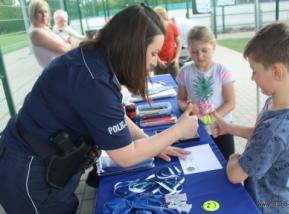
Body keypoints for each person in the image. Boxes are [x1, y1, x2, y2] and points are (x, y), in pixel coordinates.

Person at [0, 4, 198, 213]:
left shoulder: (99, 60)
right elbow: (125, 157)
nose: (154, 62)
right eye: (153, 53)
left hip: (47, 163)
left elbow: (117, 116)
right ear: (133, 47)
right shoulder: (94, 78)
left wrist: (152, 144)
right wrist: (177, 130)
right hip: (29, 169)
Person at [211, 22, 289, 213]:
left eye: (255, 71)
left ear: (277, 72)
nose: (252, 78)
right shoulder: (277, 104)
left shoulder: (276, 128)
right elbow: (259, 134)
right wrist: (230, 129)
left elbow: (235, 175)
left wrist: (233, 157)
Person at [176, 25, 235, 160]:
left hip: (223, 127)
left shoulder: (222, 70)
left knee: (226, 162)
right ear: (189, 50)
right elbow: (180, 100)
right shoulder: (185, 71)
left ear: (213, 47)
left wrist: (210, 119)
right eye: (194, 52)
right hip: (197, 127)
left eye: (204, 50)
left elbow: (230, 102)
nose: (200, 56)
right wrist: (189, 107)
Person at [28, 0, 76, 68]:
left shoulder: (44, 28)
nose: (44, 15)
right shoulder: (35, 32)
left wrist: (69, 40)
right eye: (40, 12)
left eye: (45, 12)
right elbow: (63, 49)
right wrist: (72, 42)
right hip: (57, 72)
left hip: (64, 66)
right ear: (33, 14)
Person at [153, 6, 182, 79]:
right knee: (160, 85)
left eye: (159, 19)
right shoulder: (153, 29)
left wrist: (177, 58)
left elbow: (179, 43)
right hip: (159, 64)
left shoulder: (172, 27)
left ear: (164, 17)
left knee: (176, 83)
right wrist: (159, 61)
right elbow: (152, 48)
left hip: (172, 63)